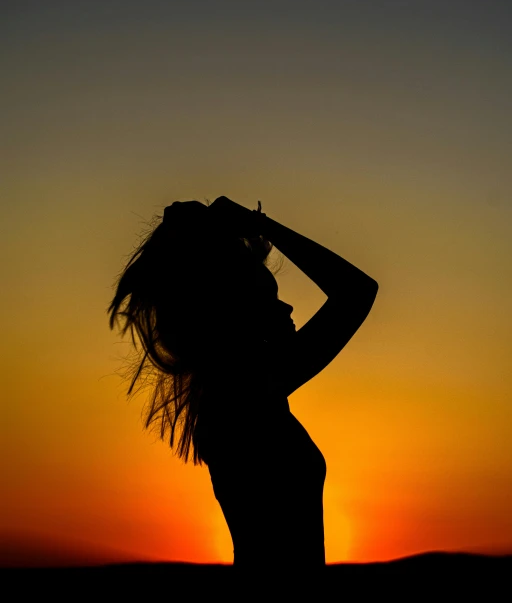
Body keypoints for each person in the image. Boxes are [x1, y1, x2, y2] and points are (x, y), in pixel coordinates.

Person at [107, 196, 378, 571]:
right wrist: (264, 226)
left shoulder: (238, 392)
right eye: (268, 299)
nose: (287, 309)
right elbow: (357, 293)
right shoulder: (247, 393)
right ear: (232, 312)